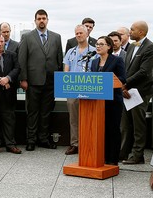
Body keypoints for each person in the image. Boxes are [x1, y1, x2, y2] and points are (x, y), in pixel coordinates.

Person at [18, 9, 63, 151]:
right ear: (35, 21)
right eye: (39, 19)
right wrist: (23, 79)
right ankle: (31, 140)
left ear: (47, 20)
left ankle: (43, 139)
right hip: (33, 82)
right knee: (32, 112)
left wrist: (59, 79)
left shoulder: (56, 37)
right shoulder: (27, 37)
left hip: (51, 82)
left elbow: (59, 60)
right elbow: (22, 60)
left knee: (46, 112)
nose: (41, 21)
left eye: (44, 18)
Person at [120, 21, 153, 165]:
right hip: (126, 92)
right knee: (126, 125)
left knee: (138, 125)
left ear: (141, 32)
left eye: (132, 30)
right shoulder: (132, 46)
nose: (130, 32)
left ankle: (138, 155)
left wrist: (125, 84)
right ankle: (124, 153)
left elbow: (144, 72)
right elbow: (126, 68)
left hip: (140, 93)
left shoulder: (150, 47)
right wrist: (123, 86)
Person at [91, 36, 126, 165]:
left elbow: (122, 79)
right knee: (102, 129)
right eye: (97, 44)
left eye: (101, 44)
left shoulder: (117, 60)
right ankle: (103, 156)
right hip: (98, 102)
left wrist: (107, 81)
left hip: (113, 101)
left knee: (113, 129)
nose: (98, 46)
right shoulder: (94, 62)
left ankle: (113, 159)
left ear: (109, 46)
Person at [63, 24, 96, 155]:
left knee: (89, 117)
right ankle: (75, 144)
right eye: (76, 33)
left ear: (87, 34)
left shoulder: (94, 51)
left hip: (89, 89)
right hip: (73, 89)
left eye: (81, 33)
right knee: (74, 118)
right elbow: (66, 70)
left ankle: (88, 142)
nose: (78, 35)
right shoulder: (71, 51)